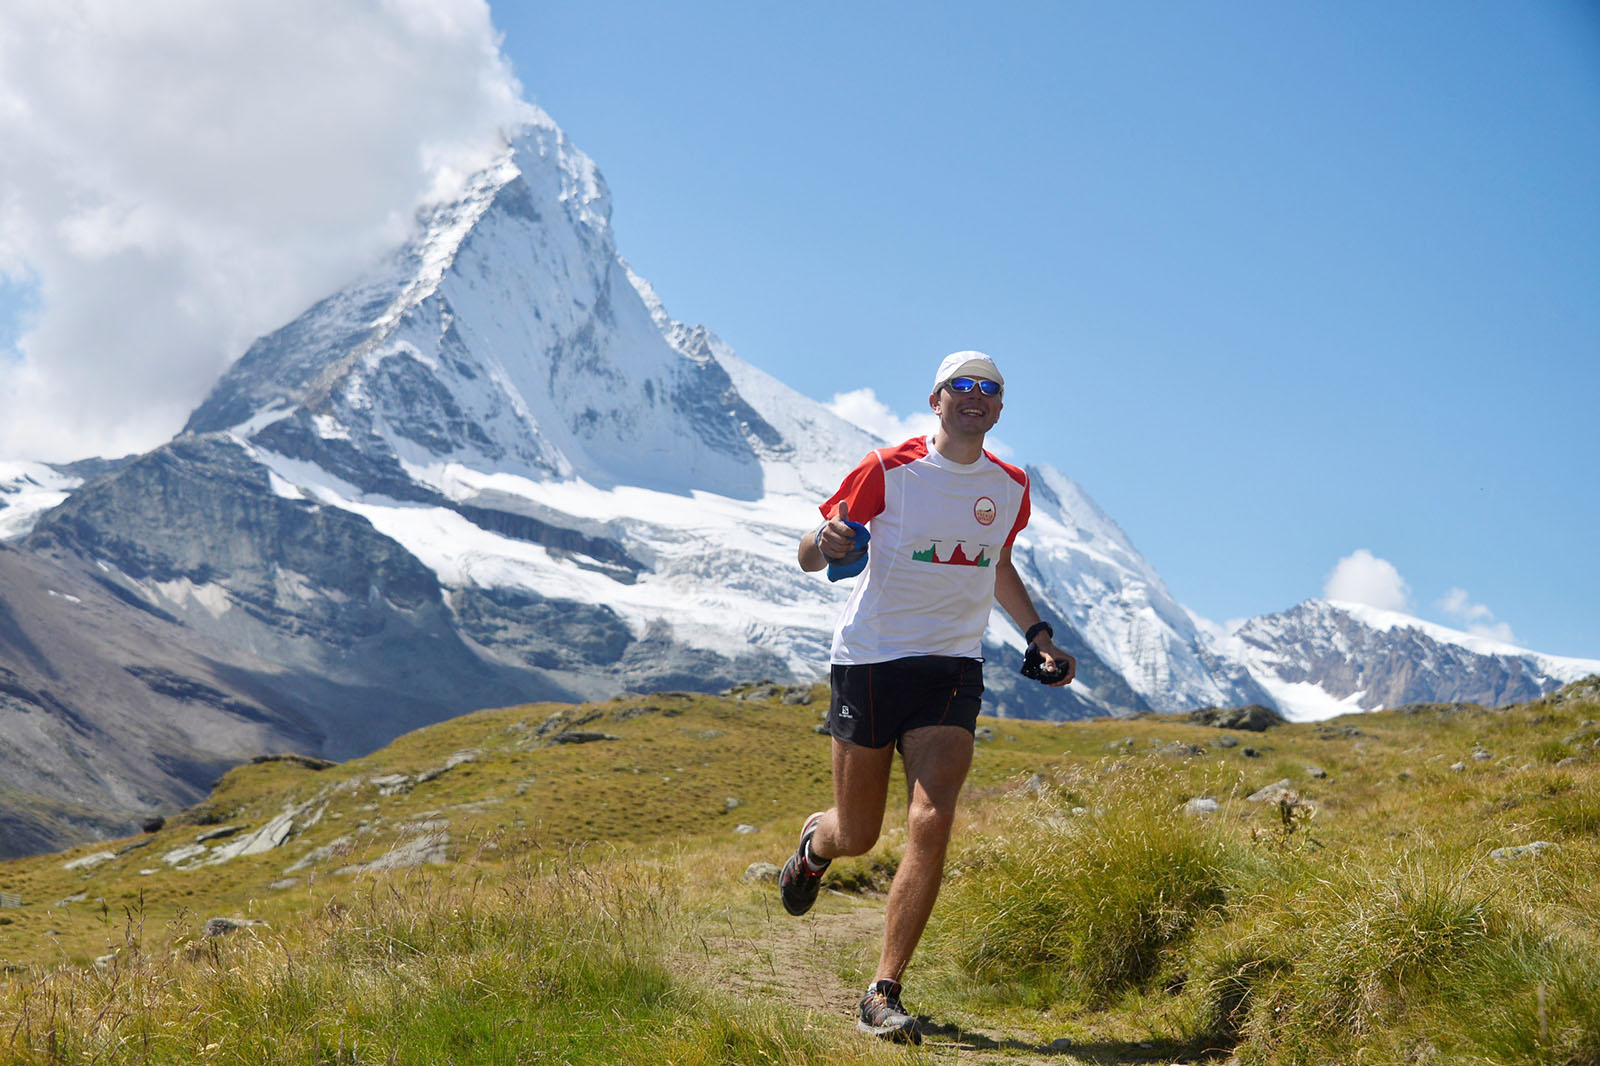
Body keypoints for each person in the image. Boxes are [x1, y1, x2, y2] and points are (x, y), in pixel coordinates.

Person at [780, 350, 1076, 1044]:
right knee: (858, 834)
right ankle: (815, 849)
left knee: (932, 817)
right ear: (936, 399)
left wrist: (1036, 633)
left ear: (999, 408)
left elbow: (997, 561)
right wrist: (824, 540)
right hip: (871, 661)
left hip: (951, 667)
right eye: (962, 386)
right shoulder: (888, 470)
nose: (976, 396)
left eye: (989, 389)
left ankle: (883, 991)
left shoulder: (1009, 486)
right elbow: (811, 555)